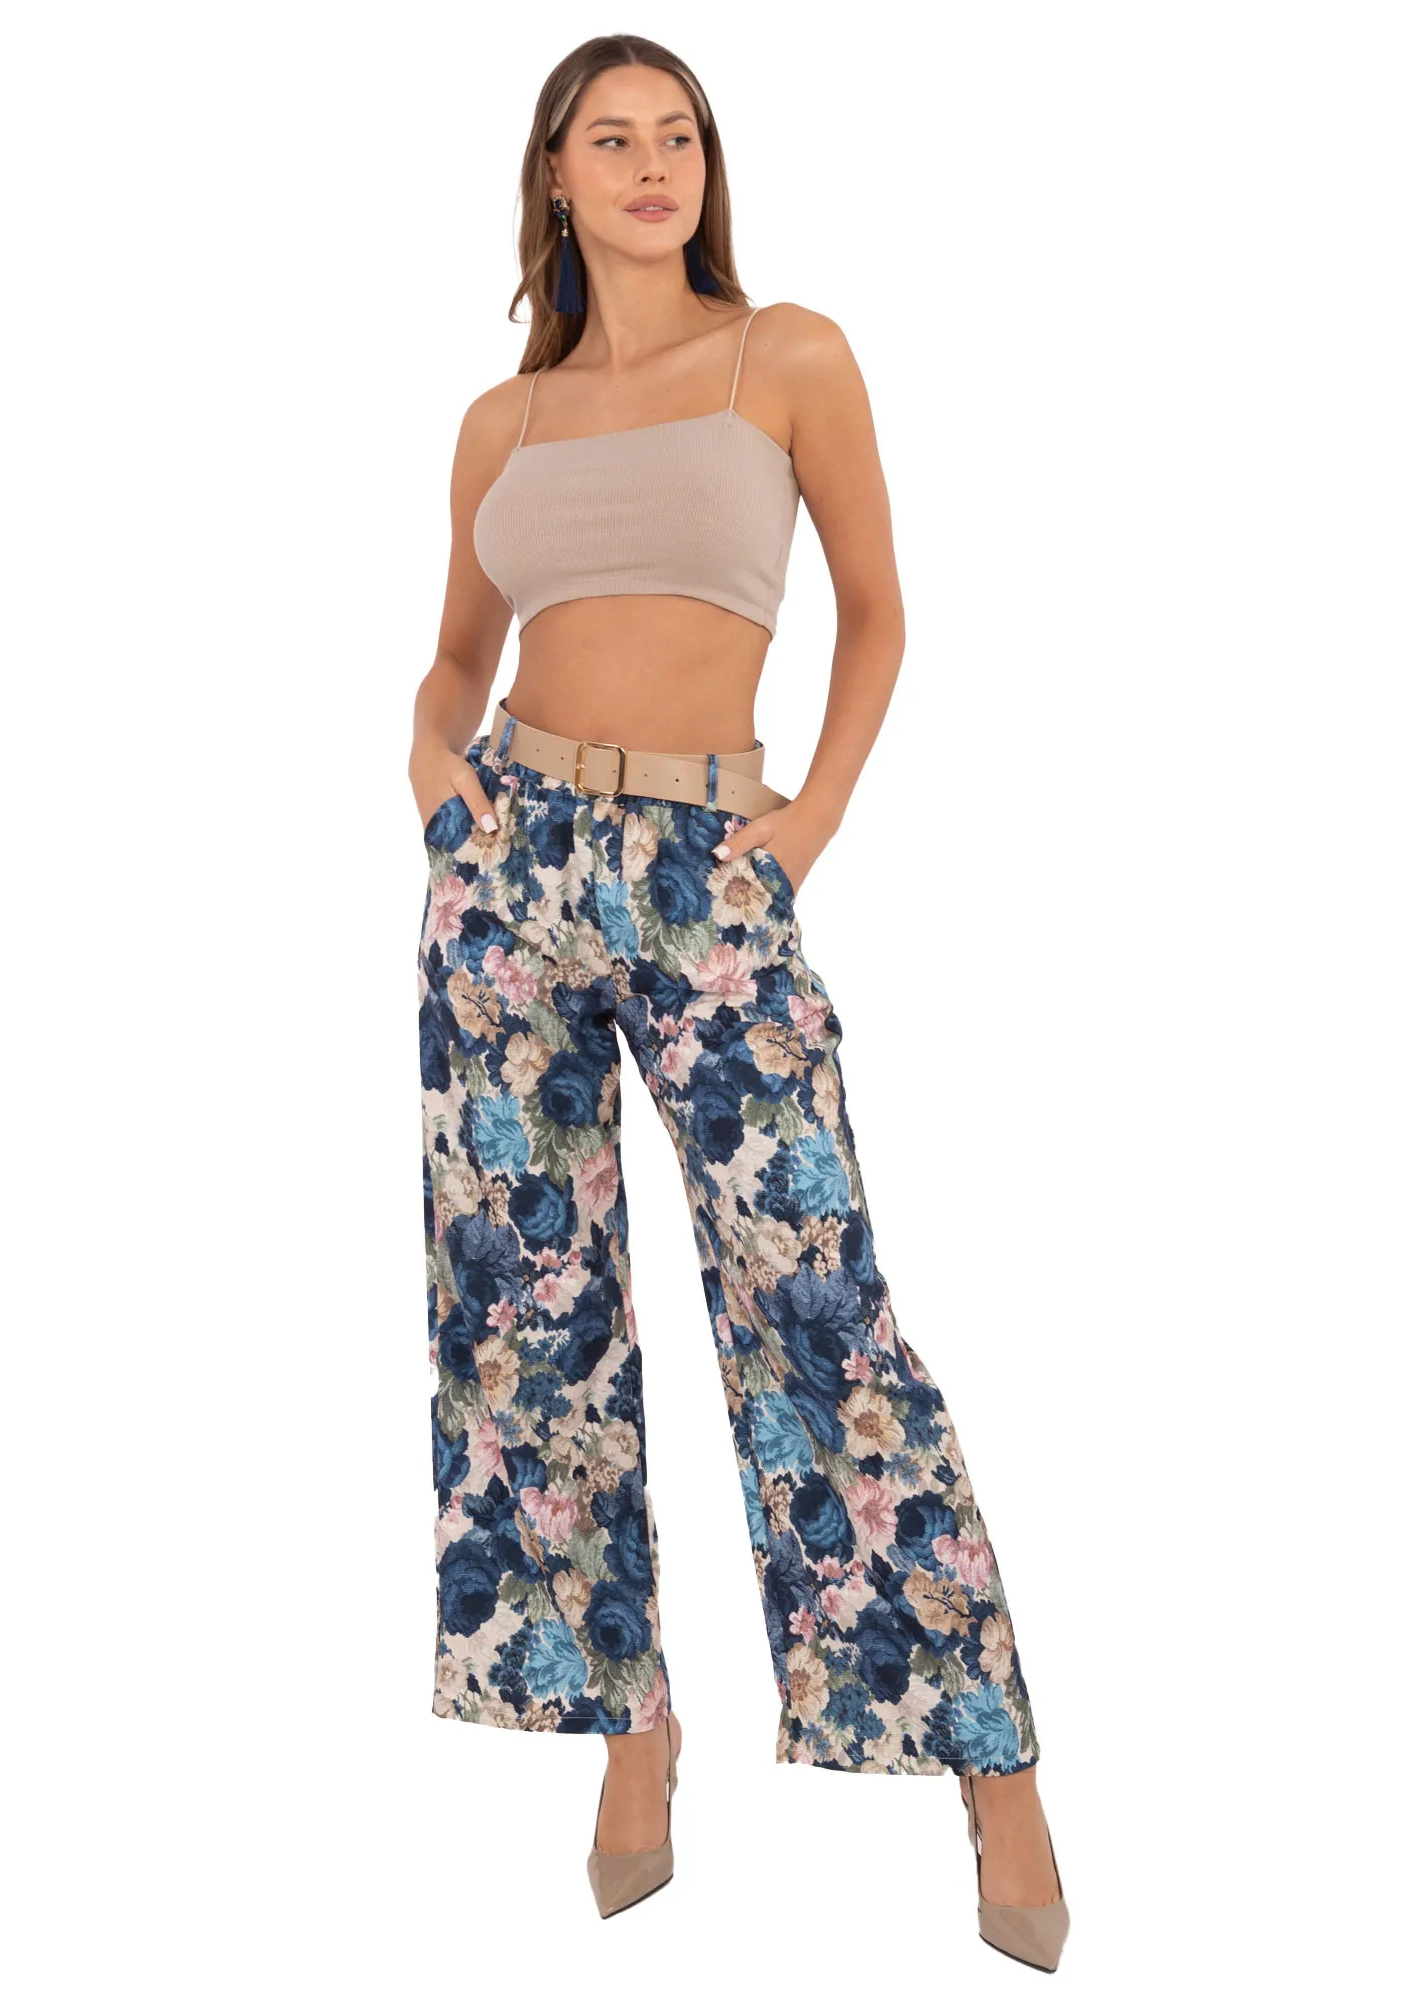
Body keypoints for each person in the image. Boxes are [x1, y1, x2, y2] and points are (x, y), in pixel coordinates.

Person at [413, 33, 1070, 1967]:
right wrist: (435, 783)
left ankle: (991, 1759)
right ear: (553, 177)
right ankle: (631, 1733)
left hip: (717, 864)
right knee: (527, 1330)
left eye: (679, 135)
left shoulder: (788, 356)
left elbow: (878, 610)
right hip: (511, 869)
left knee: (819, 1306)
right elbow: (451, 658)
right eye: (611, 138)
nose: (652, 164)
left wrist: (807, 830)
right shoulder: (503, 422)